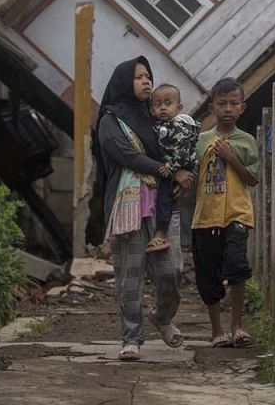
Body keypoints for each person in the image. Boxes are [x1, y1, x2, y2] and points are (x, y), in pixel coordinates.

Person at [94, 57, 192, 360]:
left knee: (171, 271)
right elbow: (126, 155)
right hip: (127, 205)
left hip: (161, 205)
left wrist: (184, 173)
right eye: (138, 77)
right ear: (124, 81)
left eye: (148, 76)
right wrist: (168, 170)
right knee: (129, 275)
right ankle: (132, 338)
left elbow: (179, 152)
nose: (146, 81)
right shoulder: (110, 120)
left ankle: (162, 317)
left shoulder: (158, 117)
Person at [191, 78, 259, 348]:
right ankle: (217, 330)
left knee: (237, 267)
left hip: (237, 214)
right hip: (205, 216)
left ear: (243, 107)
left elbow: (252, 178)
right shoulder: (201, 141)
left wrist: (231, 157)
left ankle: (237, 326)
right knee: (208, 276)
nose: (227, 109)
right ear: (212, 108)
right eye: (221, 104)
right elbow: (191, 175)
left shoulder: (246, 141)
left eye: (233, 104)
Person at [146, 84, 199, 254]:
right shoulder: (162, 126)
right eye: (158, 104)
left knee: (164, 196)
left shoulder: (178, 126)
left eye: (168, 103)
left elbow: (182, 154)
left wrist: (170, 168)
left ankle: (161, 232)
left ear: (179, 107)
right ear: (152, 109)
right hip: (175, 167)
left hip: (180, 166)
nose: (163, 108)